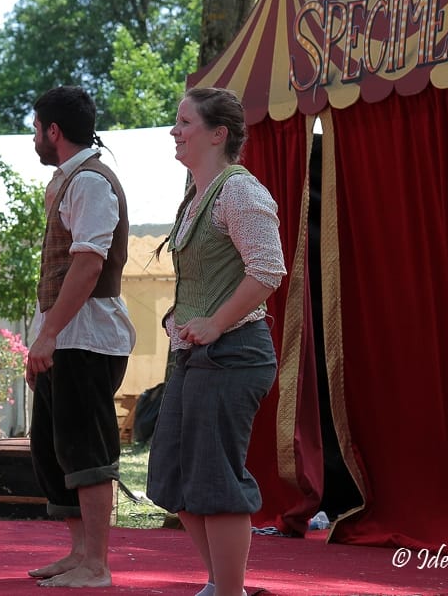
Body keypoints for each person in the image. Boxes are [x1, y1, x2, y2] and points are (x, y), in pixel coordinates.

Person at [146, 88, 287, 596]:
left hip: (234, 354)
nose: (174, 131)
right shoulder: (199, 194)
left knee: (215, 479)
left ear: (217, 134)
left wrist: (216, 322)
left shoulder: (241, 191)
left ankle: (229, 591)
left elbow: (268, 270)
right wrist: (180, 319)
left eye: (184, 122)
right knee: (176, 477)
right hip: (196, 355)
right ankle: (220, 583)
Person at [25, 86, 135, 588]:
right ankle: (79, 553)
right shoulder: (69, 180)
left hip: (86, 338)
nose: (33, 137)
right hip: (66, 337)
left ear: (53, 130)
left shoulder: (90, 182)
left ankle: (98, 564)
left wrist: (47, 335)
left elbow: (88, 266)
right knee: (56, 447)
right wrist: (45, 336)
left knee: (86, 449)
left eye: (35, 128)